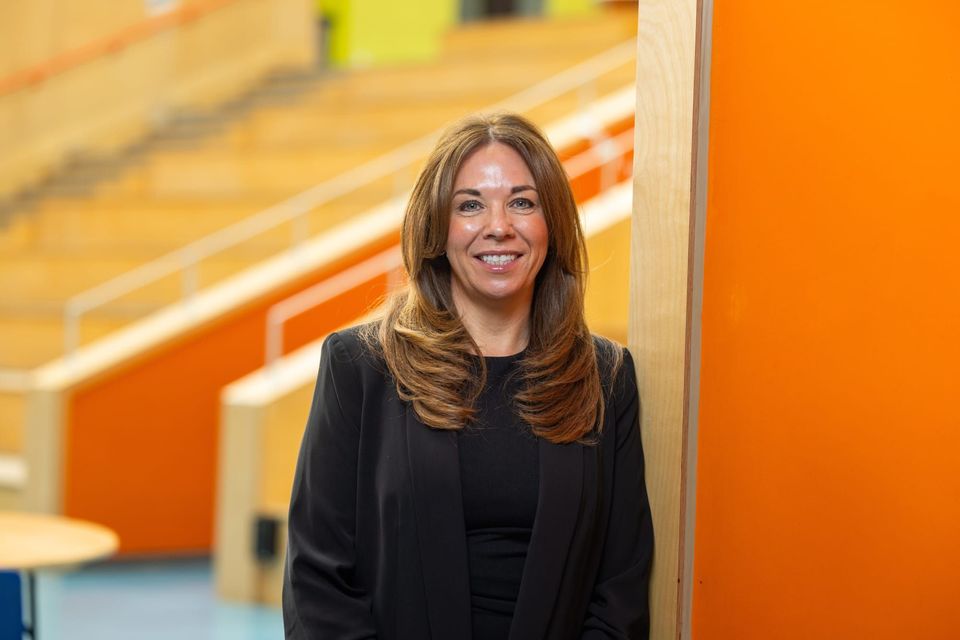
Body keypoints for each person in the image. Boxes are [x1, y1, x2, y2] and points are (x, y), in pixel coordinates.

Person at [283, 112, 653, 639]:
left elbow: (620, 589)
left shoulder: (606, 378)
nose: (497, 225)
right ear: (437, 228)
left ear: (553, 224)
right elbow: (316, 580)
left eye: (523, 202)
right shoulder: (359, 365)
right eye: (470, 205)